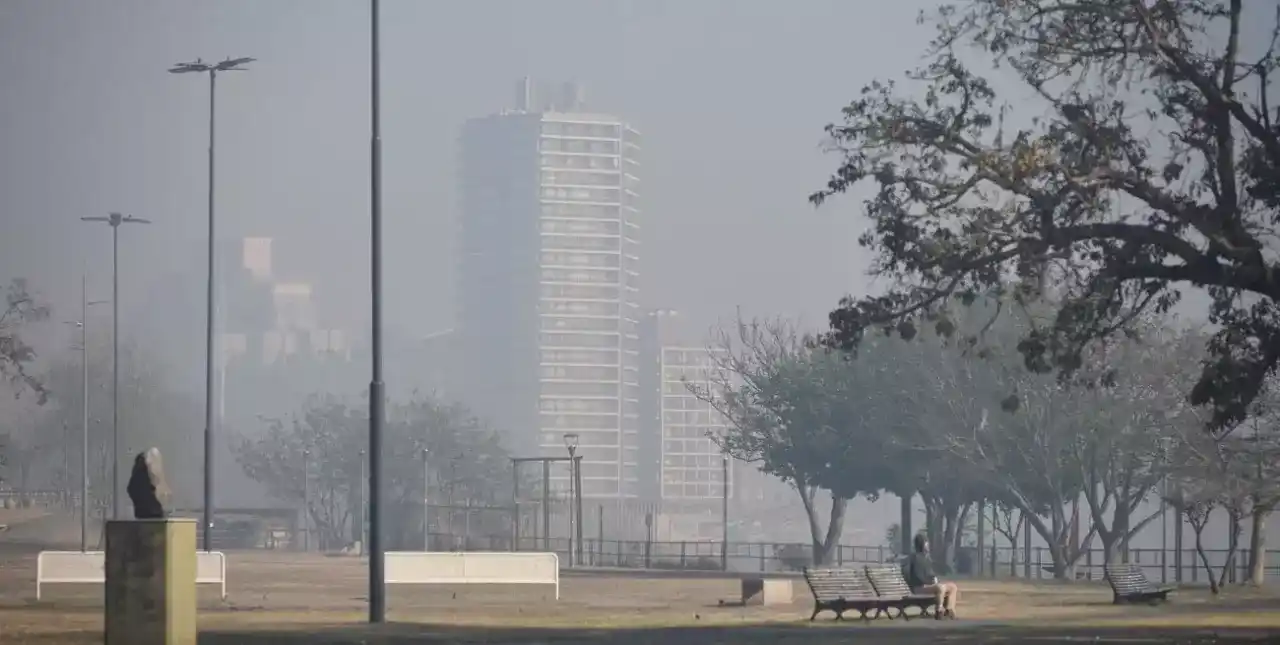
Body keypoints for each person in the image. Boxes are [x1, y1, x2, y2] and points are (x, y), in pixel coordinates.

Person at [903, 534, 959, 619]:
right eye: (926, 543)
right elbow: (917, 576)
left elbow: (930, 574)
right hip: (919, 588)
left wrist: (934, 578)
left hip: (927, 586)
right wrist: (930, 581)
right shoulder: (915, 558)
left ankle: (949, 609)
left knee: (952, 586)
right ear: (921, 544)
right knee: (940, 588)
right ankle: (939, 610)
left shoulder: (926, 558)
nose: (928, 545)